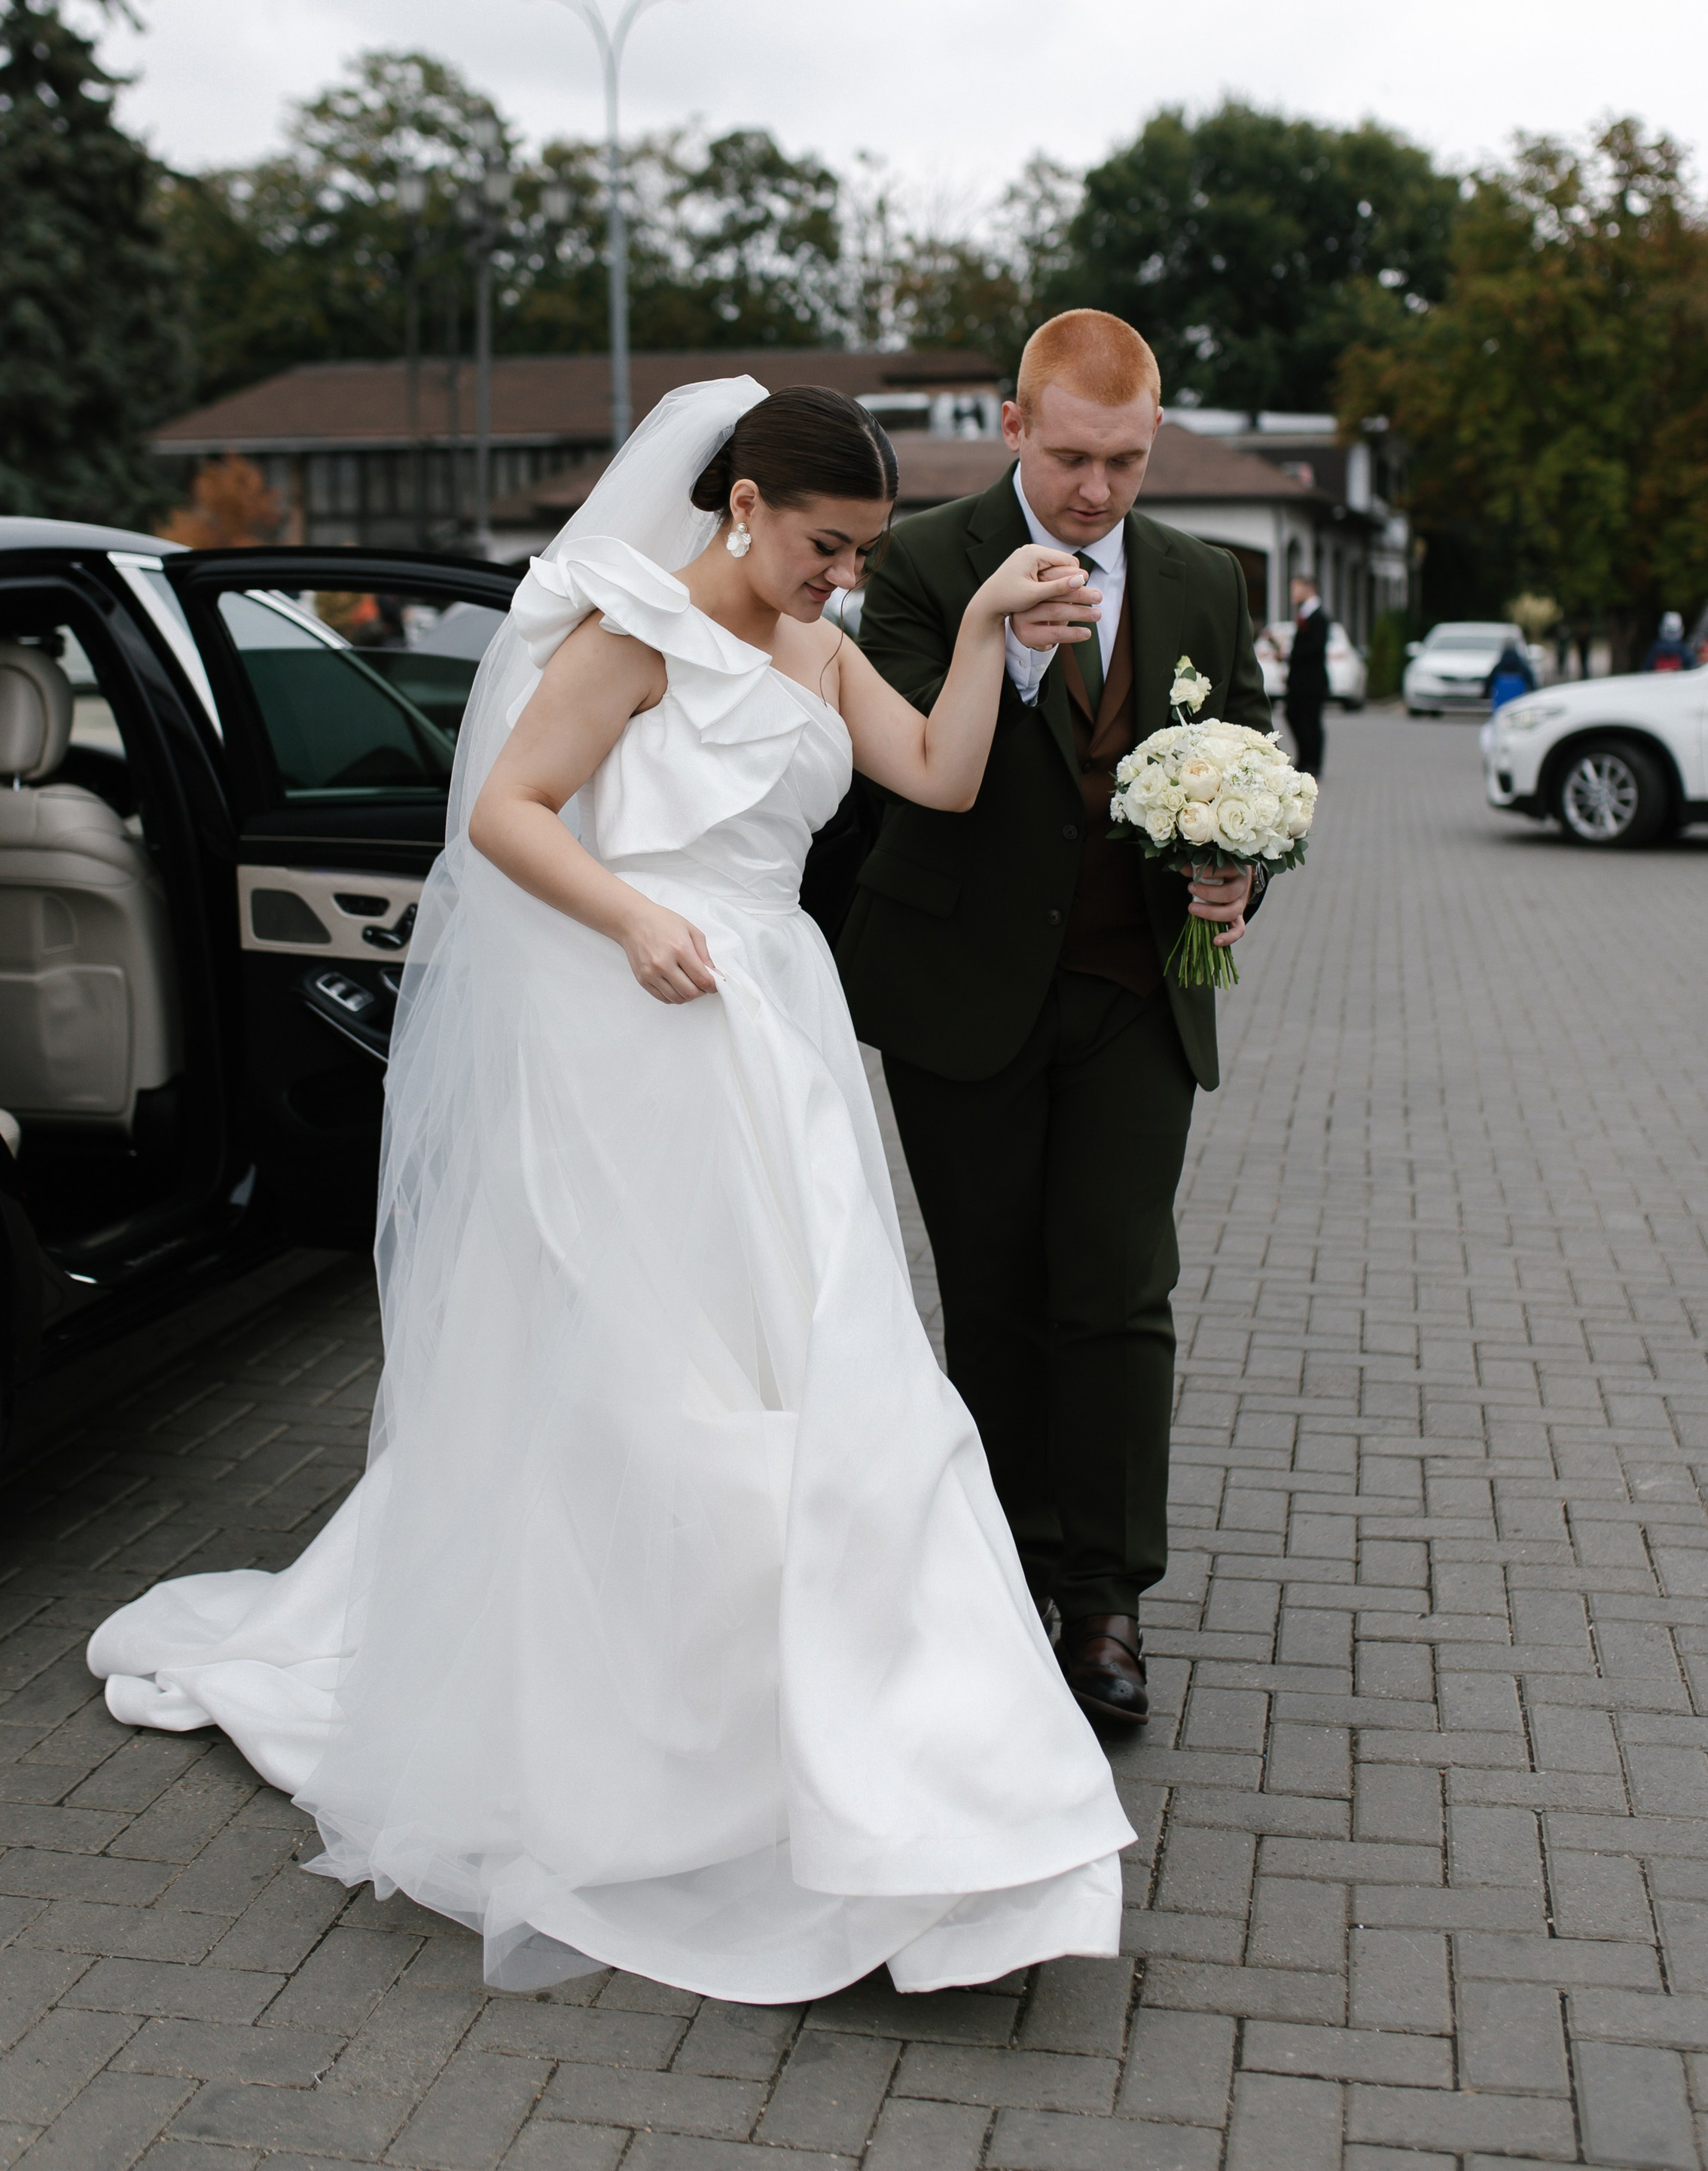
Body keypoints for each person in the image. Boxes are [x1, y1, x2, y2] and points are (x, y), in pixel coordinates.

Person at [88, 380, 1133, 2004]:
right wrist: (630, 918)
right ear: (739, 508)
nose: (841, 581)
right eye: (825, 547)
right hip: (632, 1029)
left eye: (860, 555)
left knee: (836, 1367)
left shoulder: (815, 644)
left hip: (770, 1032)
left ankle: (884, 1753)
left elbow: (931, 773)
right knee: (656, 1383)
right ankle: (658, 1740)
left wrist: (993, 625)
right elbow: (505, 812)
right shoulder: (628, 631)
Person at [837, 312, 1270, 1733]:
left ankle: (1105, 1602)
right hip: (962, 991)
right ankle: (994, 1583)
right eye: (1074, 457)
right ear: (1015, 427)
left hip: (1142, 990)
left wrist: (1237, 865)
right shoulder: (918, 561)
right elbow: (892, 761)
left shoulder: (1208, 579)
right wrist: (1009, 659)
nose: (1097, 492)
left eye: (1128, 462)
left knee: (1120, 1292)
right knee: (997, 1294)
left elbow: (1255, 755)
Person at [1283, 574, 1329, 777]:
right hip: (1299, 681)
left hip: (1312, 682)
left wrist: (1288, 654)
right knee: (1294, 715)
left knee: (1311, 721)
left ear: (1307, 589)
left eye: (1295, 588)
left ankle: (1313, 763)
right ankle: (1304, 759)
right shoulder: (1305, 614)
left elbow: (1315, 647)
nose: (1292, 593)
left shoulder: (1319, 617)